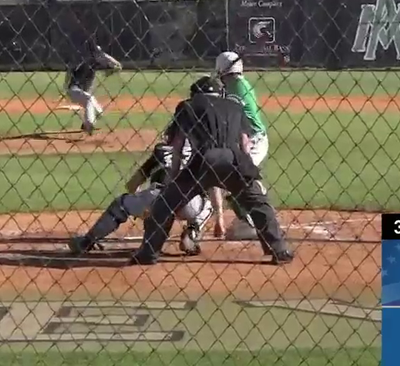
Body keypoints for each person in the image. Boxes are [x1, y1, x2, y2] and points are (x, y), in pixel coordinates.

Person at [128, 75, 293, 266]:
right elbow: (245, 143)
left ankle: (148, 254)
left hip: (204, 161)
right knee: (259, 203)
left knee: (165, 204)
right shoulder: (235, 106)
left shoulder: (187, 106)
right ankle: (280, 250)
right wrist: (247, 172)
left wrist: (174, 177)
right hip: (235, 161)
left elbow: (178, 144)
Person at [67, 78, 216, 257]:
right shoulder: (204, 150)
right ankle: (192, 231)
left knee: (121, 204)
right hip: (190, 202)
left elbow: (132, 184)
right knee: (209, 203)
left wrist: (139, 201)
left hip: (158, 199)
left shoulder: (162, 150)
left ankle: (87, 241)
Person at [212, 51, 274, 247]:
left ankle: (253, 223)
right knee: (235, 179)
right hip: (245, 139)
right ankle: (248, 219)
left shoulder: (237, 87)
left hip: (253, 140)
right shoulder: (235, 85)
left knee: (241, 178)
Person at [65, 43, 122, 135]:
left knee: (99, 113)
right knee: (89, 99)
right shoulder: (85, 62)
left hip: (82, 92)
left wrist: (115, 66)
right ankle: (89, 124)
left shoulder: (95, 63)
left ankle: (85, 124)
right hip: (73, 90)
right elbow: (70, 70)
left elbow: (111, 62)